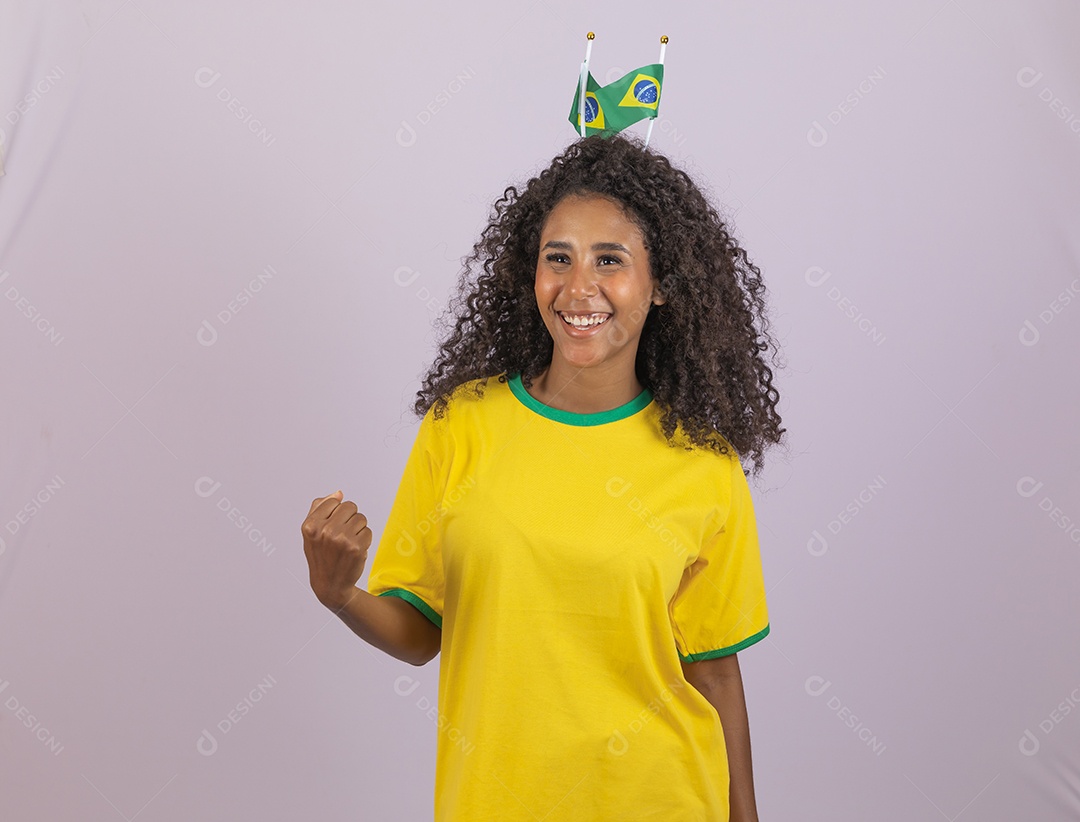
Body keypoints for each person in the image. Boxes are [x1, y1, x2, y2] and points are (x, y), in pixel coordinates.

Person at [301, 132, 787, 822]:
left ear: (662, 288)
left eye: (610, 261)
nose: (577, 287)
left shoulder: (703, 463)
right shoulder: (461, 427)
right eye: (557, 258)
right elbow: (420, 634)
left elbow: (712, 668)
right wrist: (340, 593)